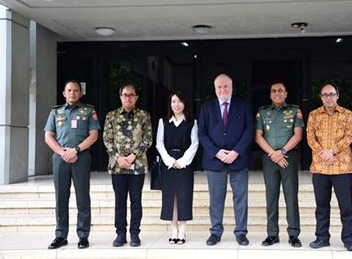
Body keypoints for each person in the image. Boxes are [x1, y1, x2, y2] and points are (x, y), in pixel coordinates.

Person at [198, 73, 254, 246]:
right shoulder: (206, 108)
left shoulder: (243, 106)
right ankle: (215, 231)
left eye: (226, 86)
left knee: (240, 197)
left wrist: (236, 152)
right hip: (215, 161)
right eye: (219, 87)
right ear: (215, 89)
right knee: (216, 198)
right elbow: (202, 133)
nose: (223, 89)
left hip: (238, 159)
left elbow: (249, 130)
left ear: (231, 87)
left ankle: (241, 232)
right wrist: (217, 152)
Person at [44, 79, 100, 249]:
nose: (72, 93)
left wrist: (75, 150)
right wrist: (63, 153)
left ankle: (83, 235)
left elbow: (94, 135)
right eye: (69, 90)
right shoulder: (56, 112)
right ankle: (60, 235)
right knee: (61, 197)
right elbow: (48, 136)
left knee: (82, 198)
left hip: (81, 157)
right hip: (60, 159)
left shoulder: (88, 111)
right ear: (64, 93)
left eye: (76, 90)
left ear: (80, 93)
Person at [306, 83, 352, 251]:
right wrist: (323, 153)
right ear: (321, 97)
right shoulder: (314, 115)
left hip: (341, 167)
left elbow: (350, 136)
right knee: (321, 206)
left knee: (346, 206)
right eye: (325, 95)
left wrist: (332, 152)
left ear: (338, 95)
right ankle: (322, 238)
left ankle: (349, 239)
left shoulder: (347, 114)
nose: (328, 97)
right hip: (320, 167)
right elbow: (310, 137)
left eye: (331, 94)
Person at [255, 81, 304, 248]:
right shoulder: (262, 112)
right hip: (269, 159)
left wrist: (281, 152)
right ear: (270, 94)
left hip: (288, 158)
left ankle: (294, 234)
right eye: (274, 91)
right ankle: (272, 234)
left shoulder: (294, 111)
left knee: (291, 197)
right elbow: (258, 137)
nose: (277, 93)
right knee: (271, 197)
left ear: (286, 93)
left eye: (280, 91)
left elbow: (298, 136)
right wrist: (273, 154)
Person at [103, 83, 152, 247]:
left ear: (136, 97)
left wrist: (132, 156)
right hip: (117, 166)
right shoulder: (112, 116)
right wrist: (118, 158)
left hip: (137, 166)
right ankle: (120, 234)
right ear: (120, 97)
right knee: (120, 202)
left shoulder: (144, 116)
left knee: (136, 202)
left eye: (131, 95)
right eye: (125, 95)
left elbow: (148, 139)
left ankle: (134, 233)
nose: (128, 98)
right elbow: (107, 139)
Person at [156, 91, 199, 244]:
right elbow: (159, 144)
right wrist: (169, 161)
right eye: (174, 101)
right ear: (170, 104)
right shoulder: (163, 121)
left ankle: (182, 231)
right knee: (170, 198)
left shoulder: (191, 122)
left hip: (185, 164)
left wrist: (182, 161)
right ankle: (173, 230)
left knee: (184, 196)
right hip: (168, 164)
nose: (177, 104)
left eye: (180, 101)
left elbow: (194, 144)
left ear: (185, 103)